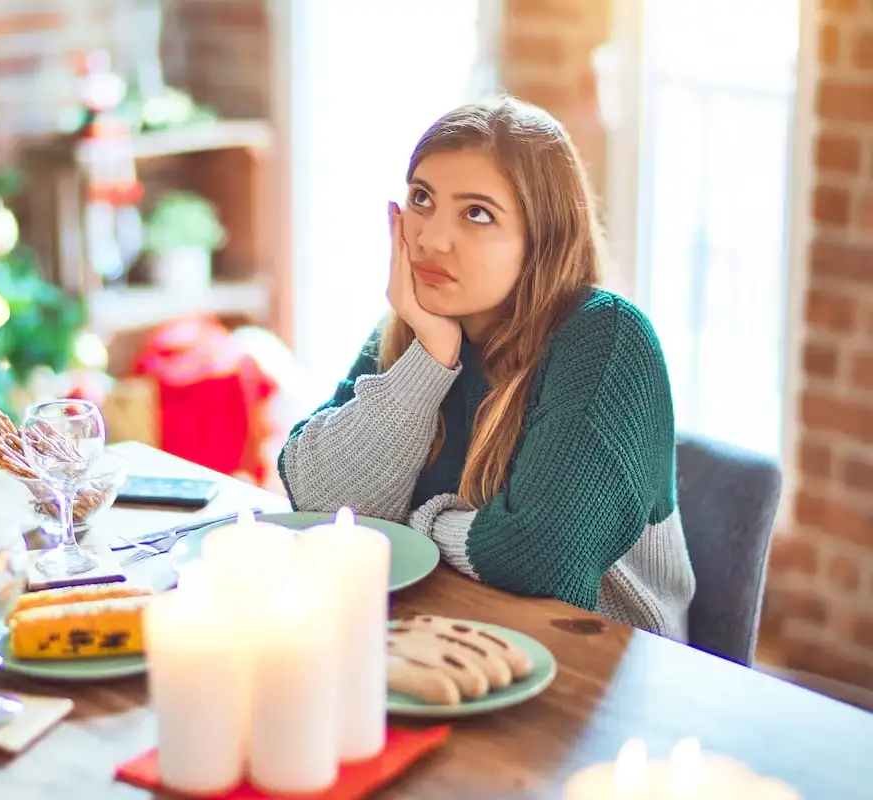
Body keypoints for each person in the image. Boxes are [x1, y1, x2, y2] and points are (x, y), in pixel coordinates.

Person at [278, 97, 695, 641]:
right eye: (421, 199)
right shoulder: (418, 324)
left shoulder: (606, 337)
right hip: (451, 632)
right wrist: (429, 362)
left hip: (603, 667)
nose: (430, 239)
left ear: (543, 238)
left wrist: (414, 525)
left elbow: (543, 556)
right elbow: (317, 499)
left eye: (477, 214)